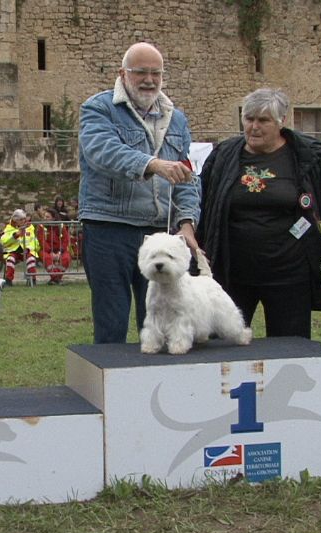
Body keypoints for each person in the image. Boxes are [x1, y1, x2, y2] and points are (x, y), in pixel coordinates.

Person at [197, 87, 321, 338]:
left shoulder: (307, 157)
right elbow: (204, 204)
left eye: (263, 120)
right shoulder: (223, 155)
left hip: (288, 274)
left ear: (282, 122)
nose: (254, 126)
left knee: (290, 349)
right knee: (222, 346)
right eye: (249, 118)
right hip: (232, 272)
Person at [78, 41, 201, 343]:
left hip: (159, 234)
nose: (149, 80)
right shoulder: (98, 108)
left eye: (156, 73)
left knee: (164, 320)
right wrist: (153, 164)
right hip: (108, 229)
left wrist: (186, 223)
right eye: (140, 72)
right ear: (122, 73)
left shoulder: (177, 119)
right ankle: (111, 386)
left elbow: (186, 175)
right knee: (111, 322)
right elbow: (102, 152)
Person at [0, 208, 40, 287]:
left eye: (24, 219)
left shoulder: (30, 227)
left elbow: (34, 242)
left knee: (31, 259)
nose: (23, 221)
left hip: (27, 251)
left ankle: (32, 280)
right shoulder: (9, 228)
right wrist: (15, 236)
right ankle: (8, 281)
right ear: (15, 220)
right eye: (21, 219)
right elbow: (3, 241)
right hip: (14, 251)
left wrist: (28, 248)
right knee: (10, 259)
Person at [41, 214, 72, 285]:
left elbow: (65, 240)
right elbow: (42, 240)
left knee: (66, 258)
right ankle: (56, 278)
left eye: (47, 217)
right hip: (46, 250)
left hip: (60, 250)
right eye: (44, 216)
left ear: (54, 218)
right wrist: (50, 252)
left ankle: (55, 279)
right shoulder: (41, 226)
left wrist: (60, 252)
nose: (45, 218)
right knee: (46, 258)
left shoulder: (61, 226)